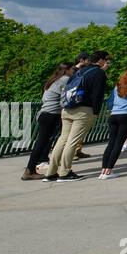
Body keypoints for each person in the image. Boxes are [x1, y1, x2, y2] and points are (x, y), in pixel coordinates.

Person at [46, 50, 111, 182]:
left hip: (67, 109)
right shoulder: (98, 73)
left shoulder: (79, 71)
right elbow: (97, 95)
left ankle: (51, 172)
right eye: (105, 59)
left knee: (62, 139)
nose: (106, 62)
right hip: (83, 110)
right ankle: (65, 172)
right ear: (100, 60)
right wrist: (96, 112)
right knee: (73, 141)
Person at [22, 62, 76, 181]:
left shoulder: (53, 80)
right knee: (41, 143)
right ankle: (29, 170)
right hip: (51, 115)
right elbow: (68, 96)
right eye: (72, 69)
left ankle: (30, 169)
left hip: (44, 114)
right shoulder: (65, 79)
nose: (74, 71)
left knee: (41, 143)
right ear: (66, 70)